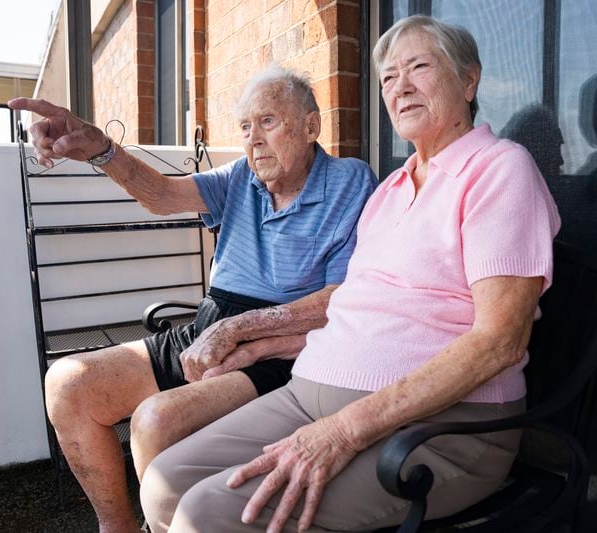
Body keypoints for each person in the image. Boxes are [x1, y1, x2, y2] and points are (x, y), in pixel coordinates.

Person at [140, 14, 561, 533]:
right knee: (164, 481)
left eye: (419, 67)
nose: (400, 86)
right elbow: (354, 306)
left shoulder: (500, 170)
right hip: (310, 395)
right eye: (388, 77)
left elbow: (499, 341)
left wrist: (343, 431)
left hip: (440, 428)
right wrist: (257, 346)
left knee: (207, 513)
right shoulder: (391, 189)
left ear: (468, 80)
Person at [8, 65, 378, 533]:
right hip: (212, 321)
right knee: (68, 384)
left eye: (268, 121)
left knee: (156, 420)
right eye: (245, 127)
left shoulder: (349, 181)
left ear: (310, 126)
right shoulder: (240, 177)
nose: (253, 140)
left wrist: (241, 328)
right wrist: (101, 150)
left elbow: (339, 297)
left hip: (283, 345)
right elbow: (160, 194)